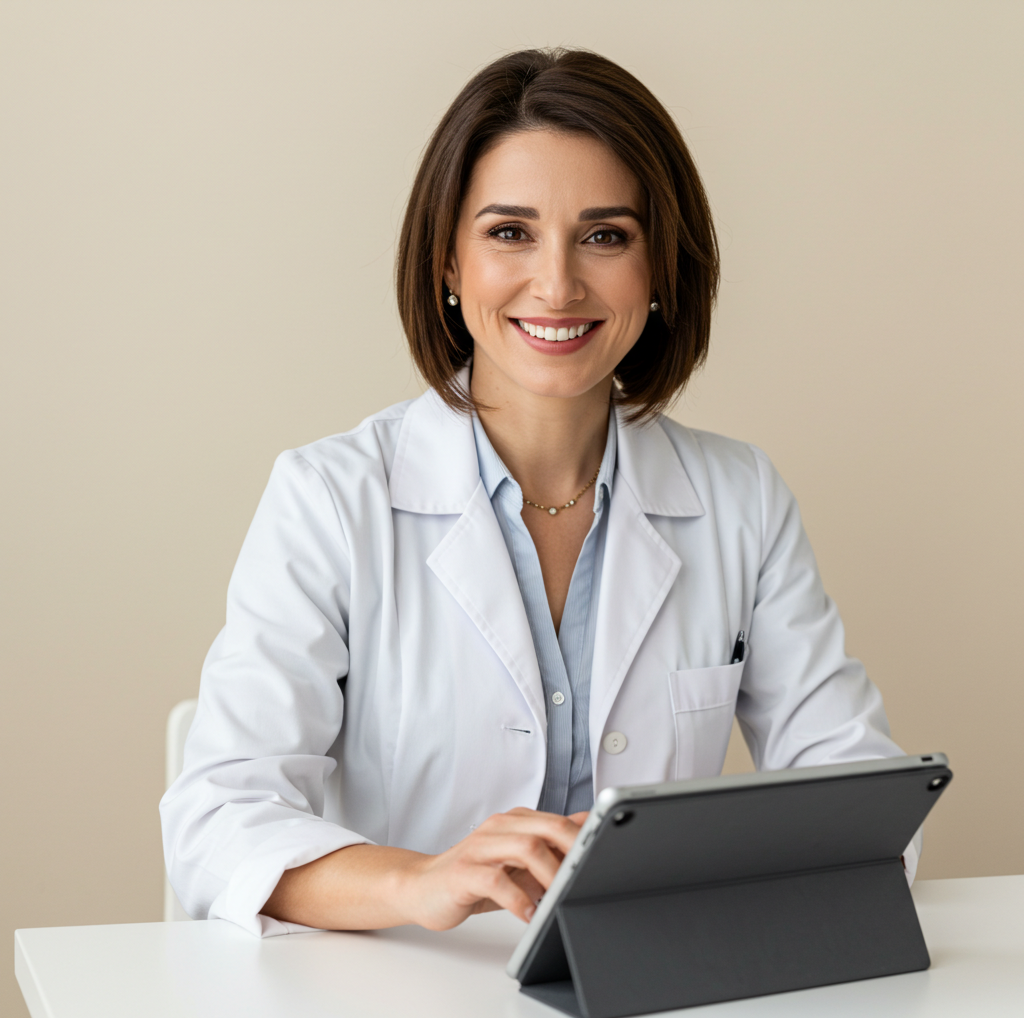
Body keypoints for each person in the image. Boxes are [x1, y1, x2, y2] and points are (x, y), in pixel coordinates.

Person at [160, 48, 918, 938]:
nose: (556, 284)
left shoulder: (739, 497)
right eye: (509, 232)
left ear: (659, 267)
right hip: (410, 986)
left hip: (654, 982)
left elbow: (862, 800)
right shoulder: (330, 497)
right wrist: (422, 883)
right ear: (448, 262)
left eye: (605, 235)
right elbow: (217, 821)